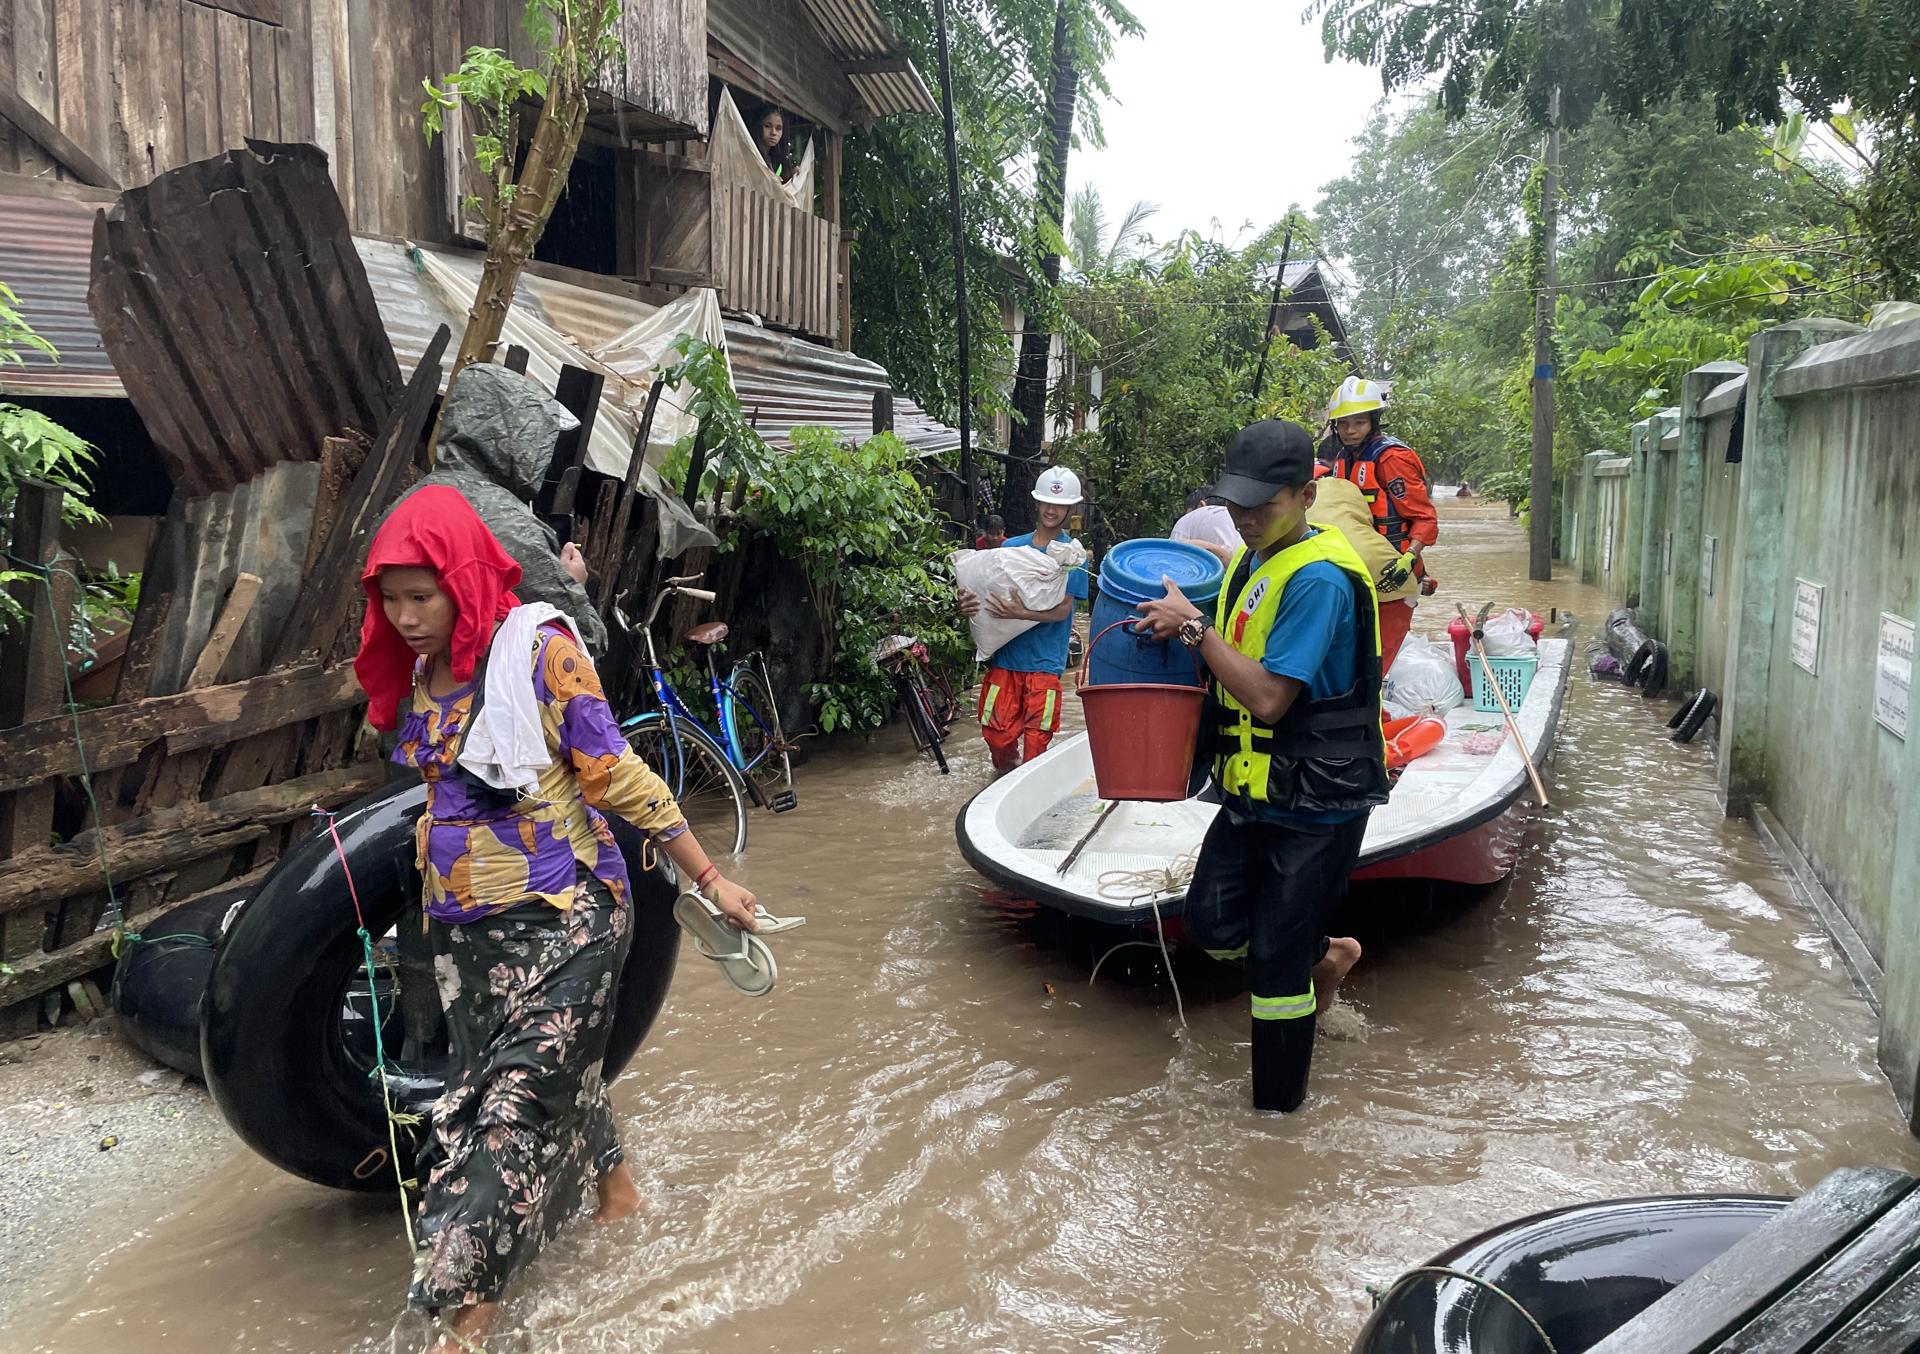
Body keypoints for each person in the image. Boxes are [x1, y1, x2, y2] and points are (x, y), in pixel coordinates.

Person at [353, 486, 758, 1353]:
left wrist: (712, 877)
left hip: (569, 915)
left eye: (422, 596)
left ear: (462, 581)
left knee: (508, 1110)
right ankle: (617, 1192)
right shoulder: (423, 676)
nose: (407, 617)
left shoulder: (540, 654)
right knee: (529, 1077)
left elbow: (617, 777)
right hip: (463, 930)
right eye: (391, 600)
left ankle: (466, 1317)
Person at [1135, 421, 1389, 1113]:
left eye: (1263, 505)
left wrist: (1195, 627)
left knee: (1275, 965)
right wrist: (1169, 629)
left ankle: (1278, 1120)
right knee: (1211, 926)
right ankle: (1330, 956)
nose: (1246, 519)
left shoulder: (1320, 581)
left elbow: (1271, 698)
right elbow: (1225, 649)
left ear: (1306, 494)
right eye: (1237, 505)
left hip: (1319, 801)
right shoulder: (1254, 561)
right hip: (1254, 790)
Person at [382, 362, 607, 656]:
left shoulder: (407, 503)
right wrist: (574, 583)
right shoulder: (507, 524)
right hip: (485, 695)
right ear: (520, 440)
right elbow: (583, 639)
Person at [957, 466, 1091, 771]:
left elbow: (1062, 611)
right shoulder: (1010, 547)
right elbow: (988, 592)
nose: (1051, 510)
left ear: (1069, 508)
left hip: (1044, 662)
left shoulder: (1073, 556)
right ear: (1037, 504)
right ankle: (1004, 780)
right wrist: (967, 603)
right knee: (997, 737)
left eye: (1059, 505)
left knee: (1037, 741)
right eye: (1046, 503)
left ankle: (1026, 793)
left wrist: (1021, 613)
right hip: (1007, 657)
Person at [1317, 375, 1438, 673]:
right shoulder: (1342, 459)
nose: (1349, 430)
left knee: (1376, 660)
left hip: (1392, 570)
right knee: (1352, 653)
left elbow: (1424, 517)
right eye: (1343, 423)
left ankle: (1372, 710)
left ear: (1373, 421)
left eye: (1358, 422)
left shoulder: (1391, 459)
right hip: (1355, 566)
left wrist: (1409, 559)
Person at [1170, 488, 1241, 557]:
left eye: (1189, 513)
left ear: (1201, 506)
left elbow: (1173, 554)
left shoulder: (1186, 521)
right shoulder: (1237, 520)